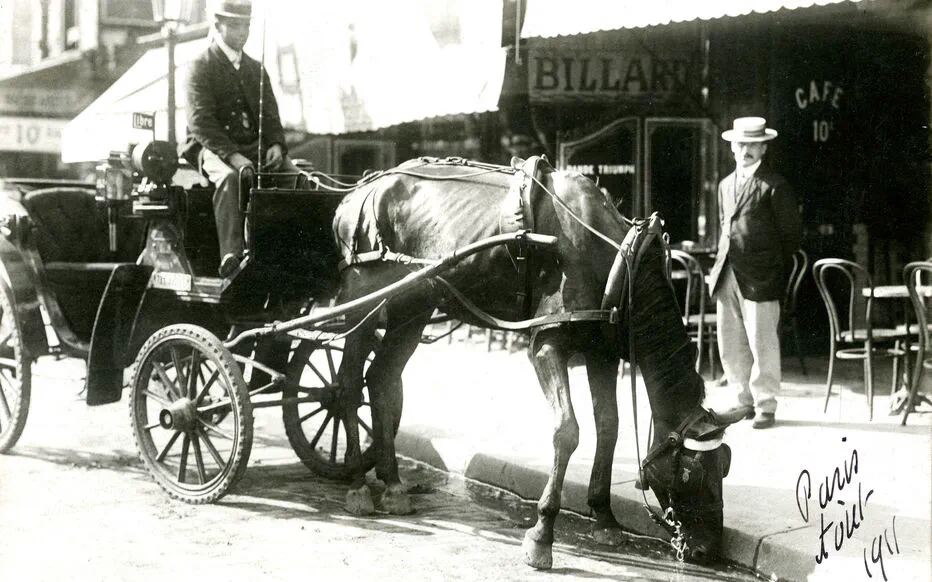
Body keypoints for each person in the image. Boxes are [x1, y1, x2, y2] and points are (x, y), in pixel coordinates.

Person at [180, 0, 298, 276]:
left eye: (245, 25)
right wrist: (233, 156)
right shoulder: (201, 66)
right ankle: (231, 254)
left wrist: (277, 146)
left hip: (254, 147)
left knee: (297, 178)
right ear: (217, 25)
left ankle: (294, 248)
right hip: (211, 148)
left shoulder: (256, 69)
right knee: (230, 178)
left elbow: (270, 116)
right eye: (235, 25)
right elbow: (201, 122)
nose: (242, 31)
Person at [707, 117, 803, 429]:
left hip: (761, 277)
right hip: (727, 274)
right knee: (731, 341)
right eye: (740, 144)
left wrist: (769, 265)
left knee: (763, 341)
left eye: (752, 144)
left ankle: (766, 404)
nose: (745, 150)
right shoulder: (724, 185)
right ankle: (741, 400)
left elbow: (791, 236)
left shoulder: (775, 186)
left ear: (763, 147)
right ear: (732, 147)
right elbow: (725, 226)